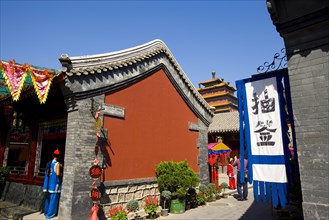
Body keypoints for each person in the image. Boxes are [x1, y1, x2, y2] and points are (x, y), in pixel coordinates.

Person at [43, 148, 62, 219]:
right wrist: (61, 174)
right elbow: (57, 173)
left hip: (48, 185)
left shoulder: (49, 163)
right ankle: (50, 214)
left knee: (48, 199)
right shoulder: (57, 164)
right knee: (53, 200)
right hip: (55, 184)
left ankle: (46, 212)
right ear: (59, 156)